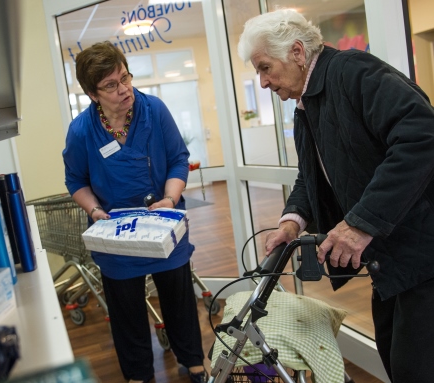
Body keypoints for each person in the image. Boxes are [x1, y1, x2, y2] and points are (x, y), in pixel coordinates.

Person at [237, 9, 434, 382]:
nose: (262, 82)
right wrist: (292, 221)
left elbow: (422, 138)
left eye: (265, 67)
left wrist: (359, 223)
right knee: (397, 360)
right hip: (389, 258)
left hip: (422, 252)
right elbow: (312, 174)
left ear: (297, 52)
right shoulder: (307, 102)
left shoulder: (353, 72)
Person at [62, 41, 207, 383]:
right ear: (92, 93)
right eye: (111, 85)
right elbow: (76, 180)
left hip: (162, 223)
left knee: (178, 297)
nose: (124, 89)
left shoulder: (154, 110)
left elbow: (177, 159)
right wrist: (95, 209)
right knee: (126, 309)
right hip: (117, 233)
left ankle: (194, 361)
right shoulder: (82, 131)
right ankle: (138, 374)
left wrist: (170, 199)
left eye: (125, 78)